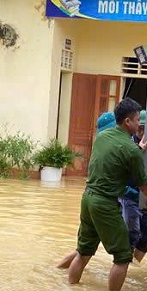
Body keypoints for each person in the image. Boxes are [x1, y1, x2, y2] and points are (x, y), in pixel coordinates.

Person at [66, 98, 147, 291]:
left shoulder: (103, 138)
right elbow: (145, 186)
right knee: (123, 256)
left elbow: (114, 159)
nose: (140, 124)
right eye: (137, 119)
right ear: (127, 122)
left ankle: (71, 290)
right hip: (105, 204)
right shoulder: (130, 150)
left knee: (83, 252)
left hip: (87, 198)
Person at [56, 111, 117, 270]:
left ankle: (57, 270)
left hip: (89, 200)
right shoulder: (110, 146)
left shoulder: (100, 145)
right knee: (86, 251)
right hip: (101, 204)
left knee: (83, 250)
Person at [119, 109, 147, 263]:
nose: (141, 131)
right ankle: (123, 265)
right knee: (132, 234)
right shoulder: (128, 145)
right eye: (140, 127)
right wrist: (139, 151)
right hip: (130, 196)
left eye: (145, 128)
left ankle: (133, 267)